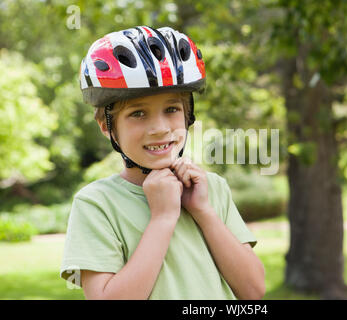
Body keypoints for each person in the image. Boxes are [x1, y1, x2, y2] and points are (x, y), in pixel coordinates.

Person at [60, 26, 265, 300]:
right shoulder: (96, 204)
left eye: (171, 110)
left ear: (188, 116)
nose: (159, 128)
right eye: (138, 113)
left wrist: (203, 211)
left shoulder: (211, 188)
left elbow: (253, 292)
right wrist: (163, 218)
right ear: (106, 126)